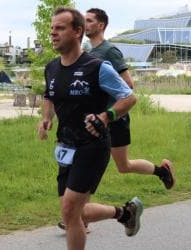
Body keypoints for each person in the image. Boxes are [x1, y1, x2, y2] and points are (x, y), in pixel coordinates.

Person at [55, 7, 176, 232]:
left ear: (100, 25)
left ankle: (79, 214)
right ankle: (79, 215)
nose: (86, 22)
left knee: (121, 165)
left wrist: (106, 110)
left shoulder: (109, 51)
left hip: (113, 120)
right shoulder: (86, 54)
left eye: (90, 20)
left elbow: (128, 85)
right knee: (120, 166)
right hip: (92, 124)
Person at [37, 7, 142, 249]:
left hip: (93, 144)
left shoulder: (97, 67)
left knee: (69, 209)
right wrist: (46, 119)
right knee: (72, 213)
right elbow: (49, 95)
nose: (53, 33)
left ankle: (124, 214)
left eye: (60, 28)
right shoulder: (51, 68)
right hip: (66, 143)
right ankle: (125, 213)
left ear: (77, 32)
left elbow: (129, 97)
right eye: (52, 28)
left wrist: (107, 116)